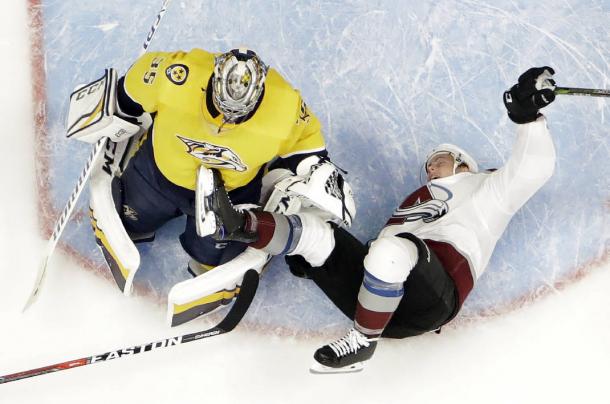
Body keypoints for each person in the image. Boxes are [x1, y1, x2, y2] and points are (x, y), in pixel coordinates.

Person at [200, 66, 558, 373]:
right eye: (430, 163)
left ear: (465, 164)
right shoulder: (410, 207)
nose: (431, 166)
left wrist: (529, 120)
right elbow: (370, 260)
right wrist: (316, 261)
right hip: (379, 303)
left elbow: (531, 170)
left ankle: (361, 342)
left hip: (433, 298)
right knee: (319, 237)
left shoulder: (486, 188)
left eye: (441, 159)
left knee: (390, 249)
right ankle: (239, 225)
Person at [66, 47, 331, 316]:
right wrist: (110, 113)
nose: (226, 121)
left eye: (236, 115)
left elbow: (311, 153)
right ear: (213, 82)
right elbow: (128, 95)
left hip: (230, 197)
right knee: (131, 220)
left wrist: (312, 185)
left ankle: (207, 254)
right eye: (222, 109)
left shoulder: (286, 107)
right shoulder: (177, 74)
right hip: (158, 176)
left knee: (212, 261)